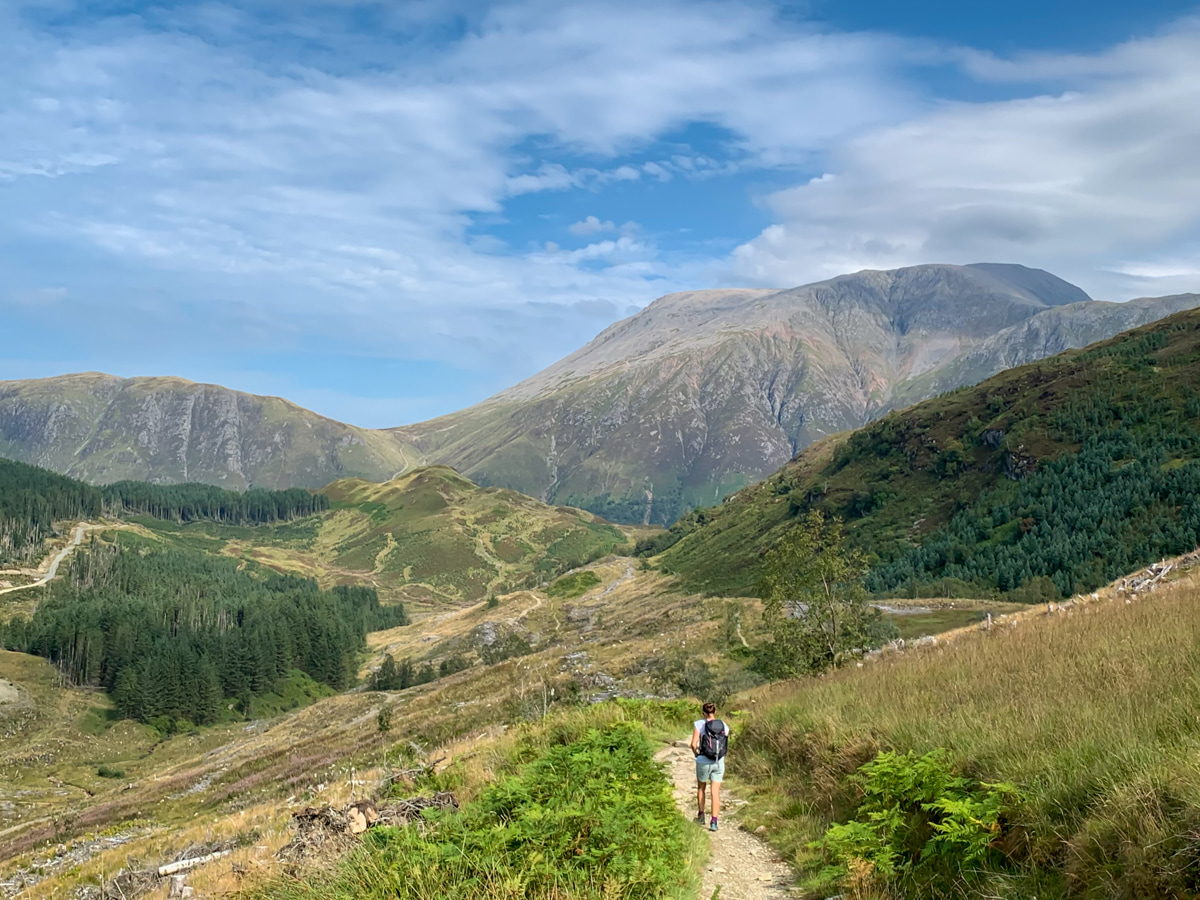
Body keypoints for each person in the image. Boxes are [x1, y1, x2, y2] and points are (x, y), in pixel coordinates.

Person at [690, 700, 729, 832]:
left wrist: (697, 754)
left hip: (703, 760)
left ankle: (701, 816)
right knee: (715, 792)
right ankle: (714, 822)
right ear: (715, 712)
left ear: (703, 713)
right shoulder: (723, 724)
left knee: (701, 788)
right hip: (718, 761)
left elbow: (693, 744)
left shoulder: (699, 724)